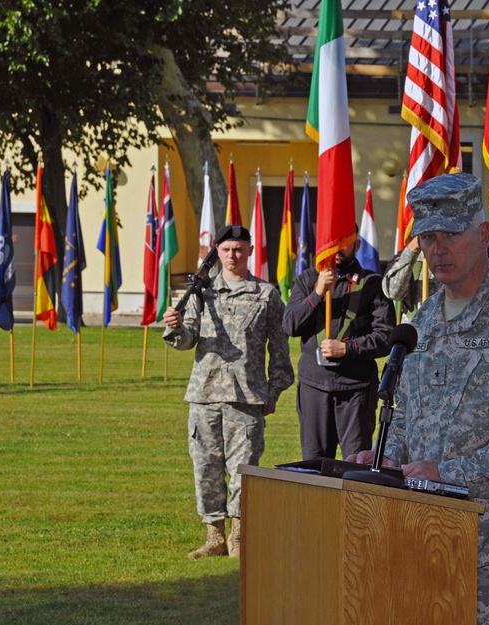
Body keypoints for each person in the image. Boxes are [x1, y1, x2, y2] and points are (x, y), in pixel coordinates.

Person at [348, 173, 489, 624]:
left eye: (451, 235)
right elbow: (404, 419)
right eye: (428, 238)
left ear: (483, 232)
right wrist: (384, 462)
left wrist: (447, 475)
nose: (438, 249)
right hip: (429, 544)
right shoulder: (423, 322)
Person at [163, 224, 294, 559]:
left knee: (243, 471)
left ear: (249, 251)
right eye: (226, 250)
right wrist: (174, 327)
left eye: (238, 249)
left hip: (246, 398)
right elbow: (187, 339)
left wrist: (275, 392)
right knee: (206, 467)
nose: (232, 255)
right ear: (217, 252)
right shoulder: (200, 293)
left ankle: (238, 538)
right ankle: (214, 538)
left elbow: (279, 350)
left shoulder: (266, 295)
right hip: (204, 395)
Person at [282, 230, 394, 460]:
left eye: (344, 242)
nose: (338, 247)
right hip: (314, 386)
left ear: (357, 244)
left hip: (356, 389)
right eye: (333, 241)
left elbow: (386, 337)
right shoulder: (307, 280)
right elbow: (290, 326)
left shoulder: (372, 283)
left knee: (357, 464)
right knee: (314, 463)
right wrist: (317, 293)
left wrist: (347, 348)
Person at [381, 234, 440, 319]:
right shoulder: (408, 257)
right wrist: (412, 249)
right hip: (414, 328)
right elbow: (393, 292)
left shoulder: (456, 256)